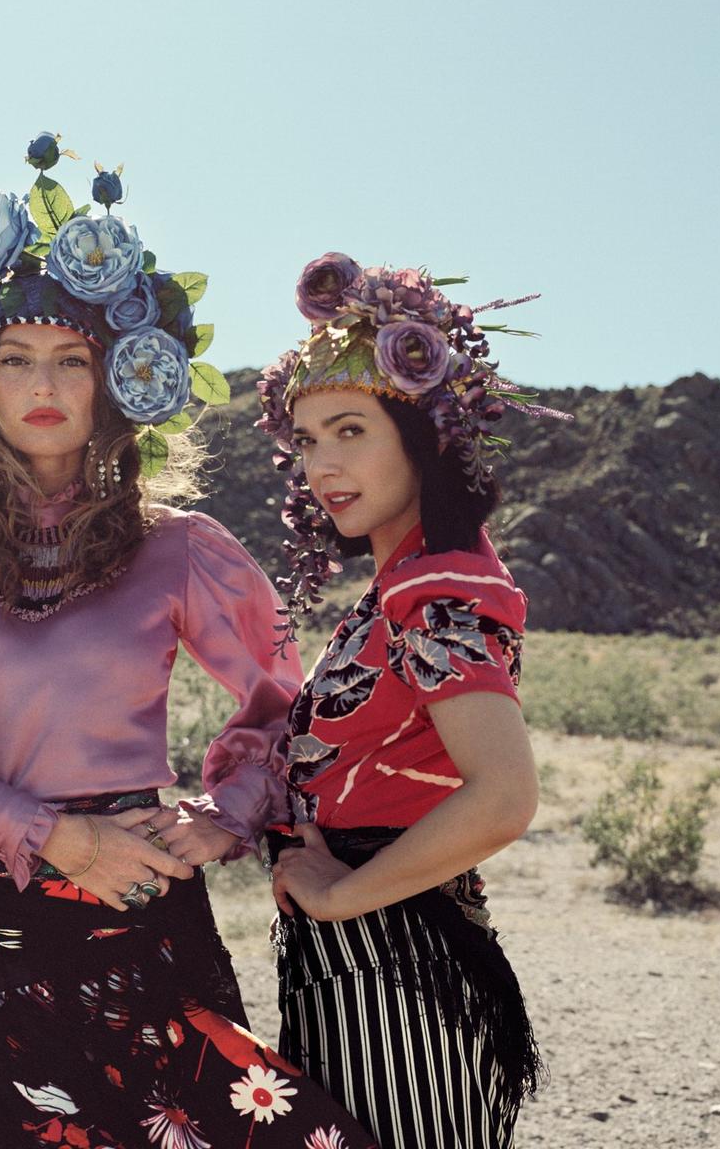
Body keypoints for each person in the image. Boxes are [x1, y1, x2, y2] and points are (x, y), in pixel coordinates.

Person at [0, 140, 377, 1149]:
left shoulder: (182, 550)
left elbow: (290, 706)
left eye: (71, 360)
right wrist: (60, 839)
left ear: (112, 382)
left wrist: (225, 815)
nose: (43, 383)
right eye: (16, 360)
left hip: (144, 931)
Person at [254, 253, 564, 1147]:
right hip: (371, 967)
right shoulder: (404, 583)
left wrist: (341, 898)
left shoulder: (436, 589)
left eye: (350, 430)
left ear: (422, 436)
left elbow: (504, 797)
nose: (323, 464)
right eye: (307, 440)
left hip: (398, 976)